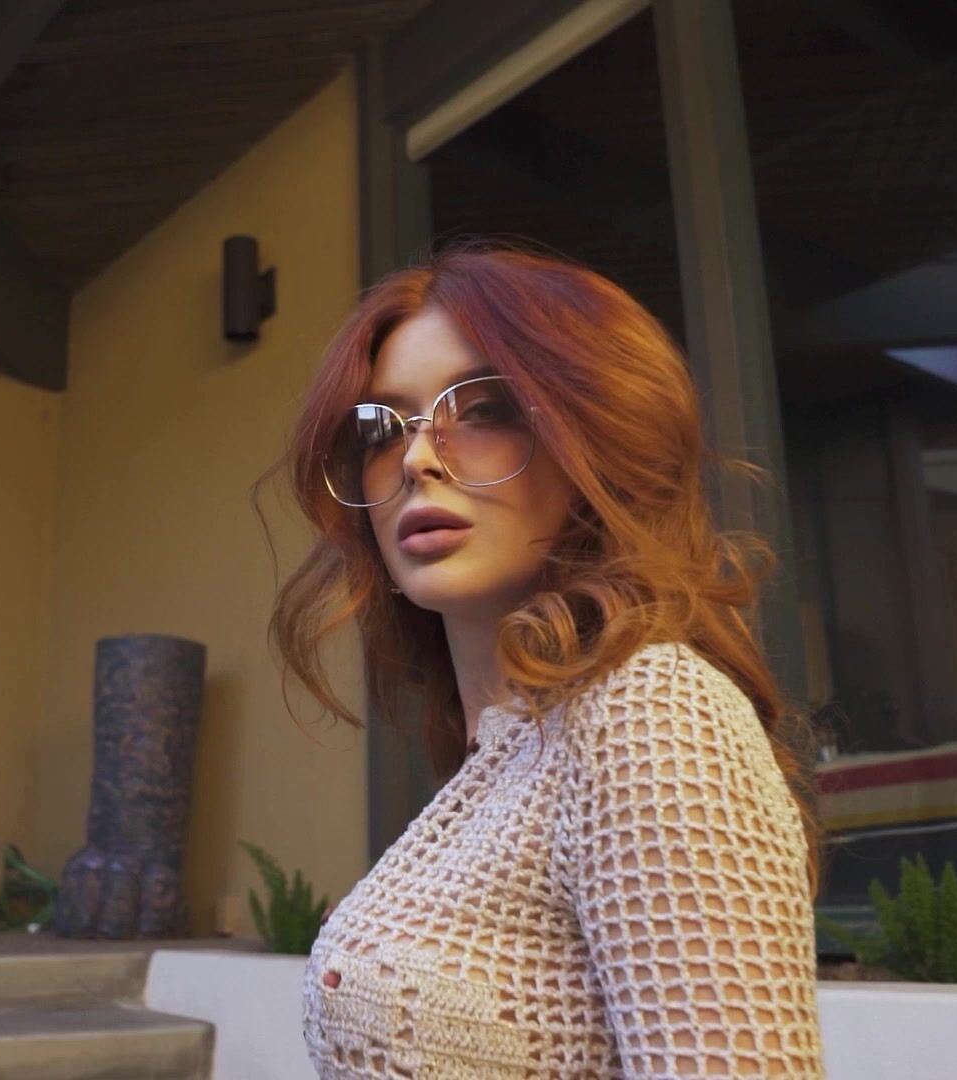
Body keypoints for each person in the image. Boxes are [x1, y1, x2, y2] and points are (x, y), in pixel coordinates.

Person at [257, 243, 827, 1077]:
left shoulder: (651, 714)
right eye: (381, 428)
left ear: (595, 439)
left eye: (484, 409)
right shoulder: (513, 747)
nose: (416, 458)